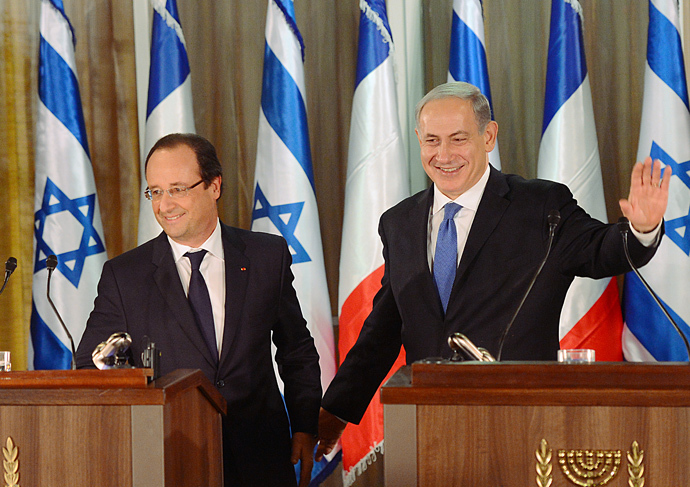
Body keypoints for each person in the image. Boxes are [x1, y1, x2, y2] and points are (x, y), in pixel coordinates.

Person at [315, 81, 670, 460]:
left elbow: (601, 252)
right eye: (432, 140)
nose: (444, 154)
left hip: (522, 425)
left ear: (488, 136)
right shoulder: (399, 222)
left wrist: (642, 229)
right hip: (430, 430)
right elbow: (383, 330)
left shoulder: (540, 206)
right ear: (418, 139)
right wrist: (334, 412)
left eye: (458, 138)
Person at [76, 133, 321, 487]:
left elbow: (296, 349)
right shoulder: (125, 275)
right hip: (171, 458)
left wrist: (304, 424)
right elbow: (90, 366)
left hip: (261, 459)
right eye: (155, 191)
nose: (165, 204)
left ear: (214, 186)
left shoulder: (267, 256)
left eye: (178, 189)